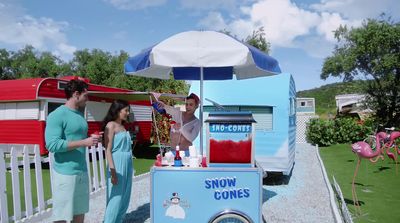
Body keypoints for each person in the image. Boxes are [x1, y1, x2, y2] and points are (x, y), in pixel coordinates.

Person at [45, 79, 100, 223]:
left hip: (81, 171)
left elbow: (76, 138)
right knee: (62, 217)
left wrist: (92, 139)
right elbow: (52, 145)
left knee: (79, 214)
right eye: (85, 96)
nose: (87, 99)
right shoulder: (57, 115)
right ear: (76, 94)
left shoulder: (79, 115)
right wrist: (84, 142)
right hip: (65, 174)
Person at [102, 100, 133, 223]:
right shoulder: (111, 125)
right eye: (125, 110)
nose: (127, 113)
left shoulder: (123, 126)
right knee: (116, 197)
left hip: (127, 162)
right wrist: (113, 172)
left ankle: (119, 220)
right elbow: (108, 150)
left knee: (125, 195)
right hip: (117, 162)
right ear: (117, 110)